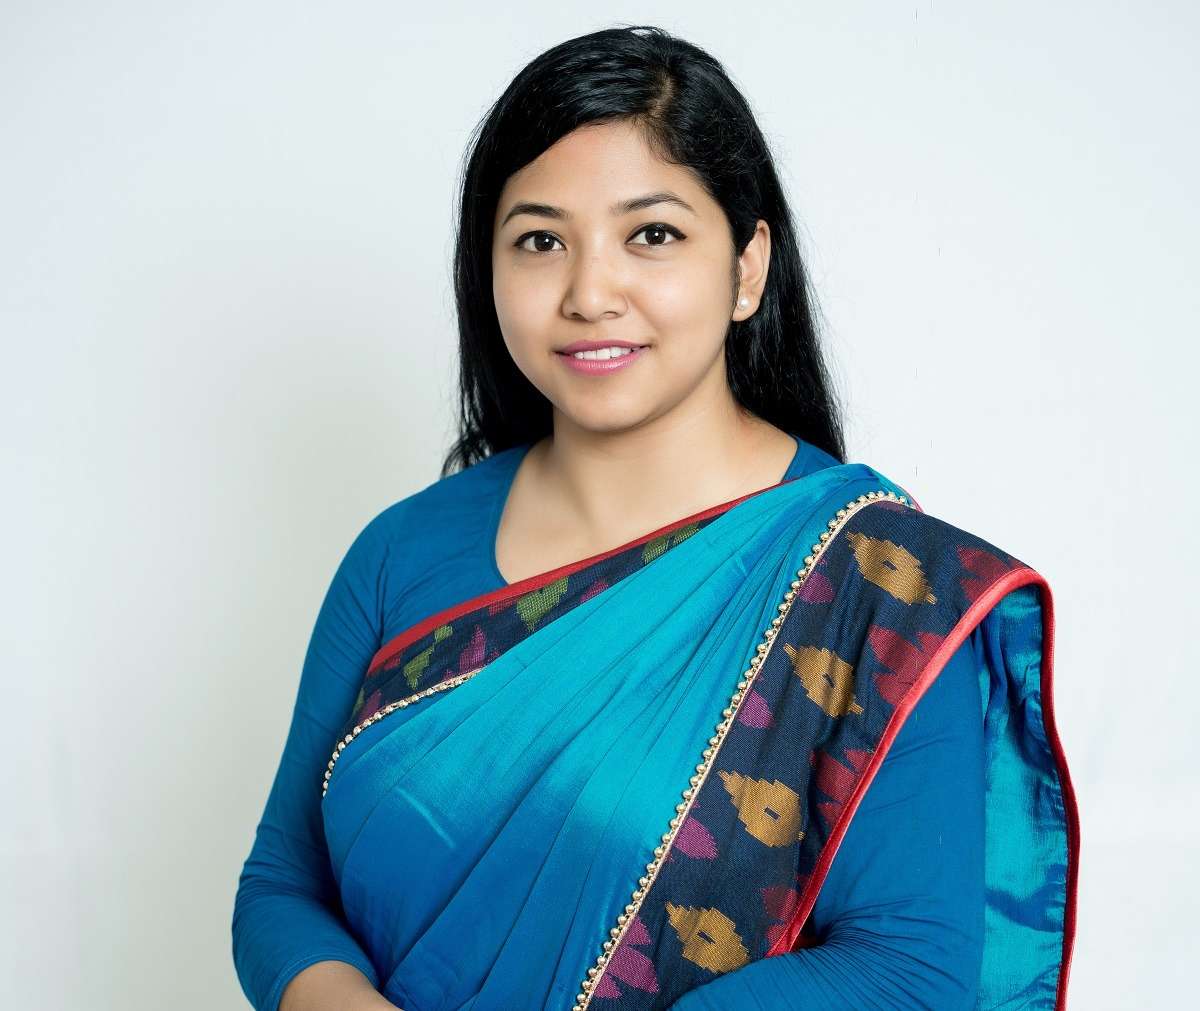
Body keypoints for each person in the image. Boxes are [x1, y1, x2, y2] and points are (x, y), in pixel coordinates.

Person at [231, 24, 1078, 1011]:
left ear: (747, 267)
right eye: (540, 241)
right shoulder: (399, 553)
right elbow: (283, 885)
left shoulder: (871, 583)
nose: (591, 293)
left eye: (653, 235)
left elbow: (906, 972)